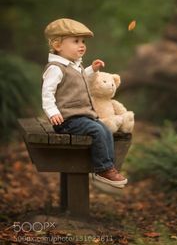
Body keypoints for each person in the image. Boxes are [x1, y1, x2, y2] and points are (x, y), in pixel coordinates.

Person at [42, 18, 127, 188]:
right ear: (58, 46)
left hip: (82, 117)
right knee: (96, 129)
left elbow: (79, 80)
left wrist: (91, 70)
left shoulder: (75, 66)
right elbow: (47, 93)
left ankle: (108, 168)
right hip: (67, 120)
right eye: (75, 41)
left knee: (105, 129)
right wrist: (52, 113)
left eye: (82, 41)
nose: (82, 45)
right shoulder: (56, 68)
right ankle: (103, 168)